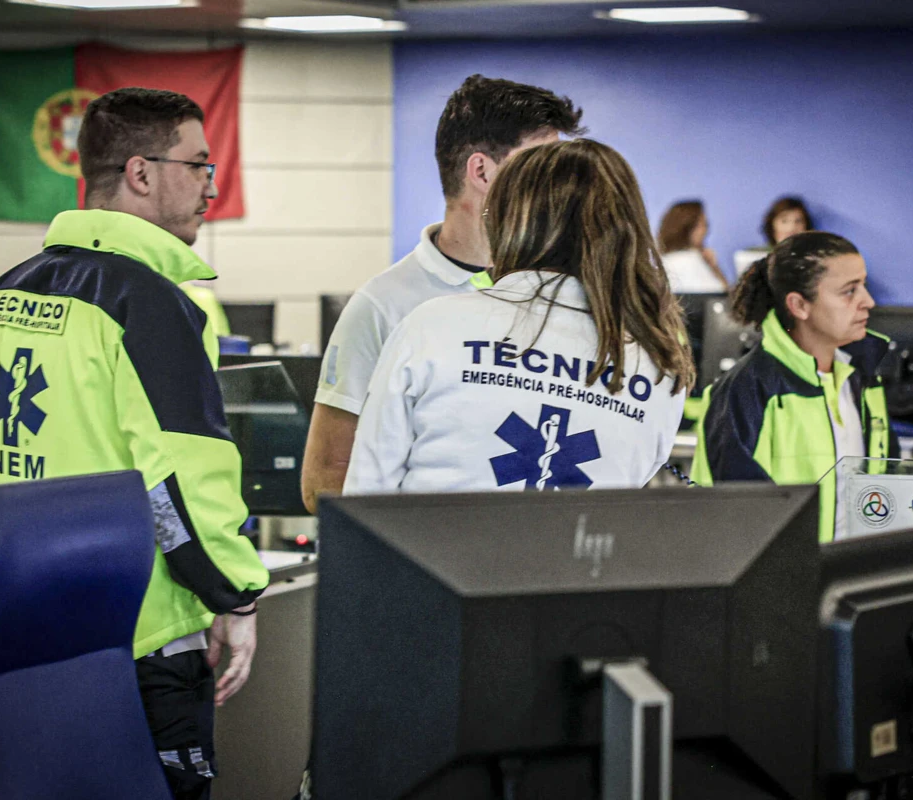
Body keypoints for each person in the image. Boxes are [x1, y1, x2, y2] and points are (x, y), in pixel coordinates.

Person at [0, 87, 269, 800]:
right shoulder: (150, 305)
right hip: (136, 635)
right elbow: (179, 478)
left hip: (21, 623)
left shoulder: (0, 295)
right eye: (198, 163)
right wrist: (235, 597)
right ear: (140, 173)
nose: (210, 185)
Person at [343, 139, 692, 494]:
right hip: (576, 549)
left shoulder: (433, 327)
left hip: (427, 548)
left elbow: (366, 493)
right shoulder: (660, 365)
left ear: (508, 225)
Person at [300, 74, 584, 510]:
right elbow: (325, 480)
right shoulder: (384, 306)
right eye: (540, 166)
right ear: (482, 171)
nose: (559, 186)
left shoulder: (566, 295)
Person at [690, 231, 897, 541]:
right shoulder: (745, 392)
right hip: (786, 581)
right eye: (849, 291)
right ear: (799, 305)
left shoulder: (864, 380)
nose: (868, 301)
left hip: (855, 573)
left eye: (863, 285)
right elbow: (737, 521)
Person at [733, 195, 817, 278]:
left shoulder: (815, 257)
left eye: (798, 221)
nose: (791, 228)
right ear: (772, 225)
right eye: (784, 221)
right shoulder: (753, 256)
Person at [657, 199, 728, 294]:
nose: (706, 231)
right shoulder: (689, 259)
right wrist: (715, 269)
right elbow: (720, 295)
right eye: (703, 224)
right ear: (687, 227)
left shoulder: (664, 261)